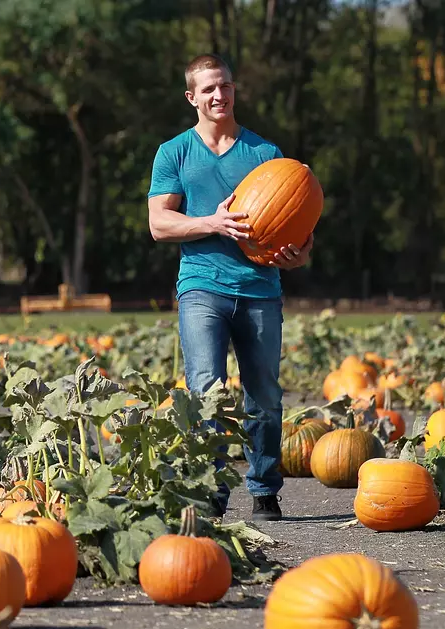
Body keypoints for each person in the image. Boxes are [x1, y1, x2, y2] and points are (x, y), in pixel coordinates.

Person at [146, 54, 314, 522]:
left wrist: (298, 256)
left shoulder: (266, 154)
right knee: (206, 391)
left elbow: (300, 235)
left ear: (234, 89)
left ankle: (264, 490)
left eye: (224, 86)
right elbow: (159, 224)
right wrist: (212, 222)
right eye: (207, 89)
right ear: (191, 98)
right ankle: (211, 492)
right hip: (201, 287)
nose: (218, 96)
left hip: (261, 288)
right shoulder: (174, 152)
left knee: (264, 394)